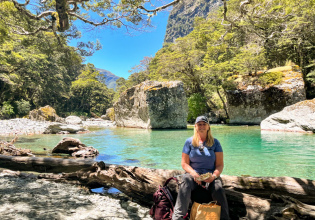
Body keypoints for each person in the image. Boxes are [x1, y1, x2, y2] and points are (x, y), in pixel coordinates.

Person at [172, 116, 230, 220]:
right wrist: (194, 174)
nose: (202, 126)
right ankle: (177, 217)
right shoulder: (189, 142)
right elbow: (184, 163)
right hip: (193, 175)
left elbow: (220, 165)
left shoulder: (215, 143)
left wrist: (213, 176)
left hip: (211, 175)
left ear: (208, 126)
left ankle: (225, 218)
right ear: (195, 126)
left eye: (204, 124)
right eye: (199, 124)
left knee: (218, 188)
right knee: (185, 182)